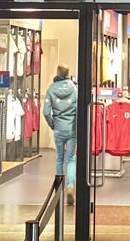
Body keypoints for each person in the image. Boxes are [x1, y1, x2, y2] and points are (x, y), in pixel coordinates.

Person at [43, 64, 78, 205]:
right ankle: (70, 186)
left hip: (58, 127)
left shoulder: (51, 89)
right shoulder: (75, 89)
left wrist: (53, 124)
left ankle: (59, 188)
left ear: (57, 73)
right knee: (70, 159)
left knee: (59, 158)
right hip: (72, 128)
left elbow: (45, 112)